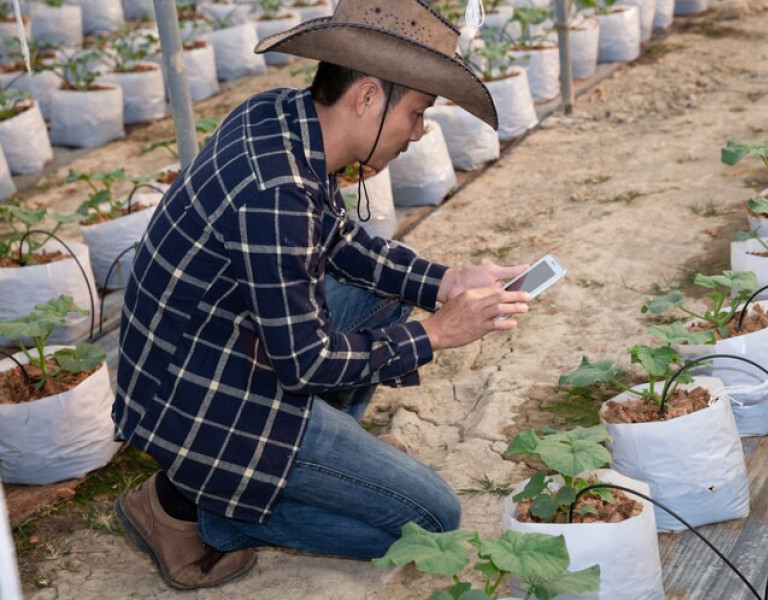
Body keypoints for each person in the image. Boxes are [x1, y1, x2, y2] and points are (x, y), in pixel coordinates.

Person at [110, 0, 527, 589]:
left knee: (384, 295)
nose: (418, 132)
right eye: (416, 112)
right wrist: (437, 332)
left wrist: (445, 283)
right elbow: (306, 363)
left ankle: (298, 467)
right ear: (366, 98)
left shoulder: (276, 116)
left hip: (207, 355)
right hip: (201, 403)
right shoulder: (275, 190)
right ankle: (201, 513)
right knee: (431, 520)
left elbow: (337, 239)